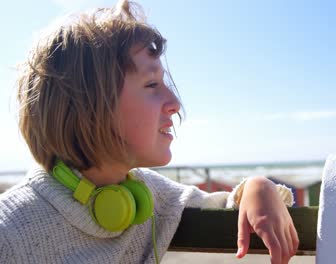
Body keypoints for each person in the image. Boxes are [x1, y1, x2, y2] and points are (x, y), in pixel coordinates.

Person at [0, 1, 299, 263]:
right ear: (88, 107)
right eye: (152, 85)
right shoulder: (9, 233)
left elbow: (226, 205)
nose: (174, 104)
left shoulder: (148, 196)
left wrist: (259, 188)